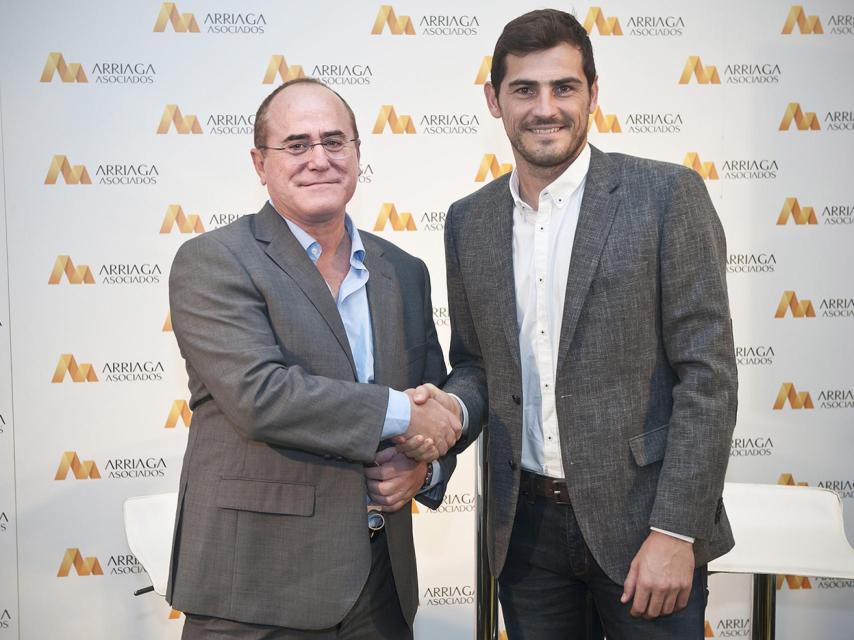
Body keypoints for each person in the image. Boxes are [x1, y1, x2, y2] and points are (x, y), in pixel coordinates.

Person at [408, 9, 738, 639]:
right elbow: (478, 363)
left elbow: (709, 377)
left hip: (647, 530)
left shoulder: (667, 195)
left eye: (564, 87)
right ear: (494, 101)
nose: (545, 108)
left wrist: (676, 530)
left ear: (593, 93)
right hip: (526, 535)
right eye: (524, 90)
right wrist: (445, 410)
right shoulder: (468, 221)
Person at [166, 78, 461, 639]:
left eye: (335, 141)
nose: (319, 159)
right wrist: (404, 413)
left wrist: (424, 468)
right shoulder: (215, 262)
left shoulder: (403, 269)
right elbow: (261, 397)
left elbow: (434, 398)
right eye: (297, 145)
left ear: (357, 153)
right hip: (257, 587)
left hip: (380, 586)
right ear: (260, 162)